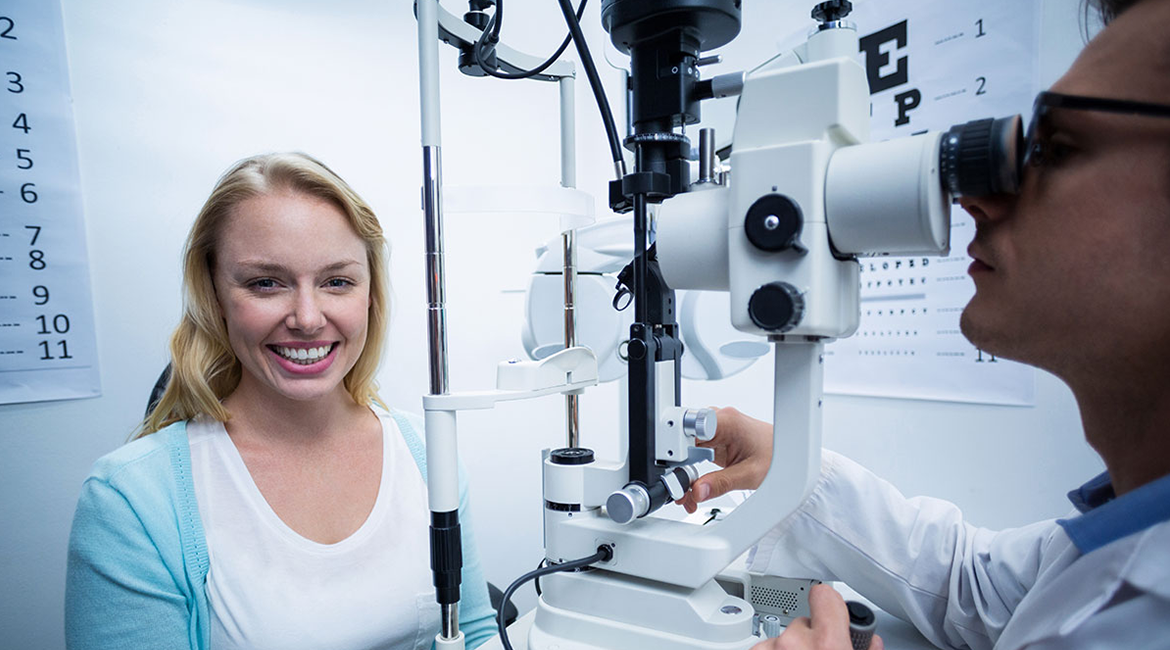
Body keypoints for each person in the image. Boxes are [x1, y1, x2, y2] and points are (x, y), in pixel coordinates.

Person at [679, 0, 1170, 648]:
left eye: (1056, 149)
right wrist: (795, 471)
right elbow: (975, 586)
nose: (976, 198)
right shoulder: (1121, 538)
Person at [64, 153, 497, 649]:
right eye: (265, 283)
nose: (308, 318)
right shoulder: (131, 500)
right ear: (214, 297)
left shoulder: (425, 451)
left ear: (370, 294)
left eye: (337, 282)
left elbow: (473, 632)